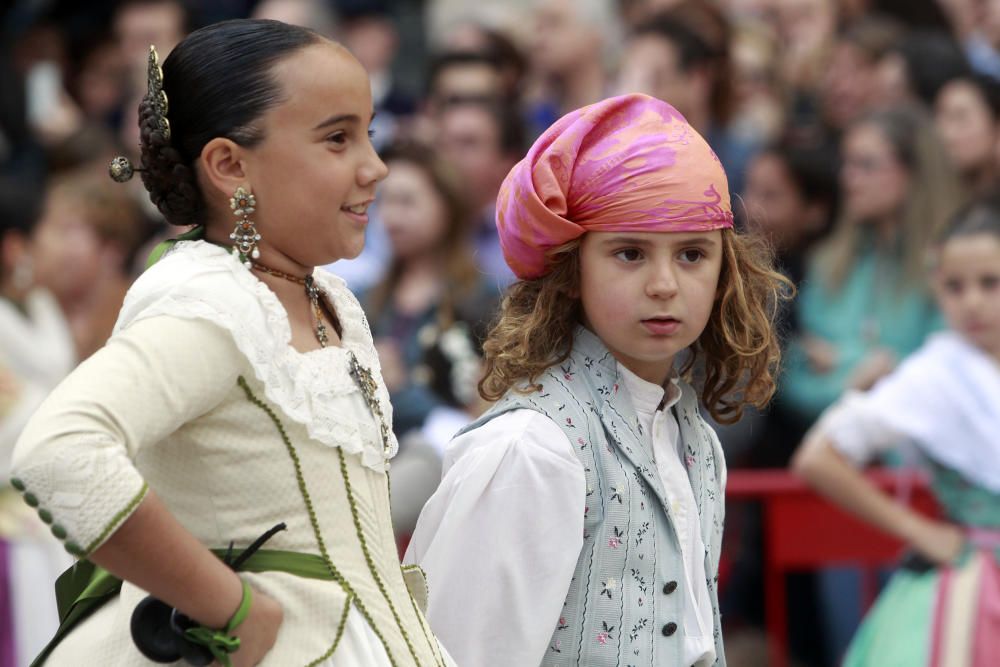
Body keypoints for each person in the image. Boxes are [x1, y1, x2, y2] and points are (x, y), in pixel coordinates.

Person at [10, 19, 452, 667]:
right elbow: (59, 452)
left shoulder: (328, 297)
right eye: (337, 138)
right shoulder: (214, 305)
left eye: (369, 134)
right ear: (230, 166)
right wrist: (232, 606)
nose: (375, 167)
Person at [406, 93, 789, 667]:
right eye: (629, 253)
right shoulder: (530, 450)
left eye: (691, 254)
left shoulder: (695, 442)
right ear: (571, 270)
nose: (664, 283)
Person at [792, 194, 1000, 666]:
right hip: (978, 593)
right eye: (955, 286)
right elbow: (817, 458)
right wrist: (920, 531)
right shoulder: (935, 374)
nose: (973, 301)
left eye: (990, 283)